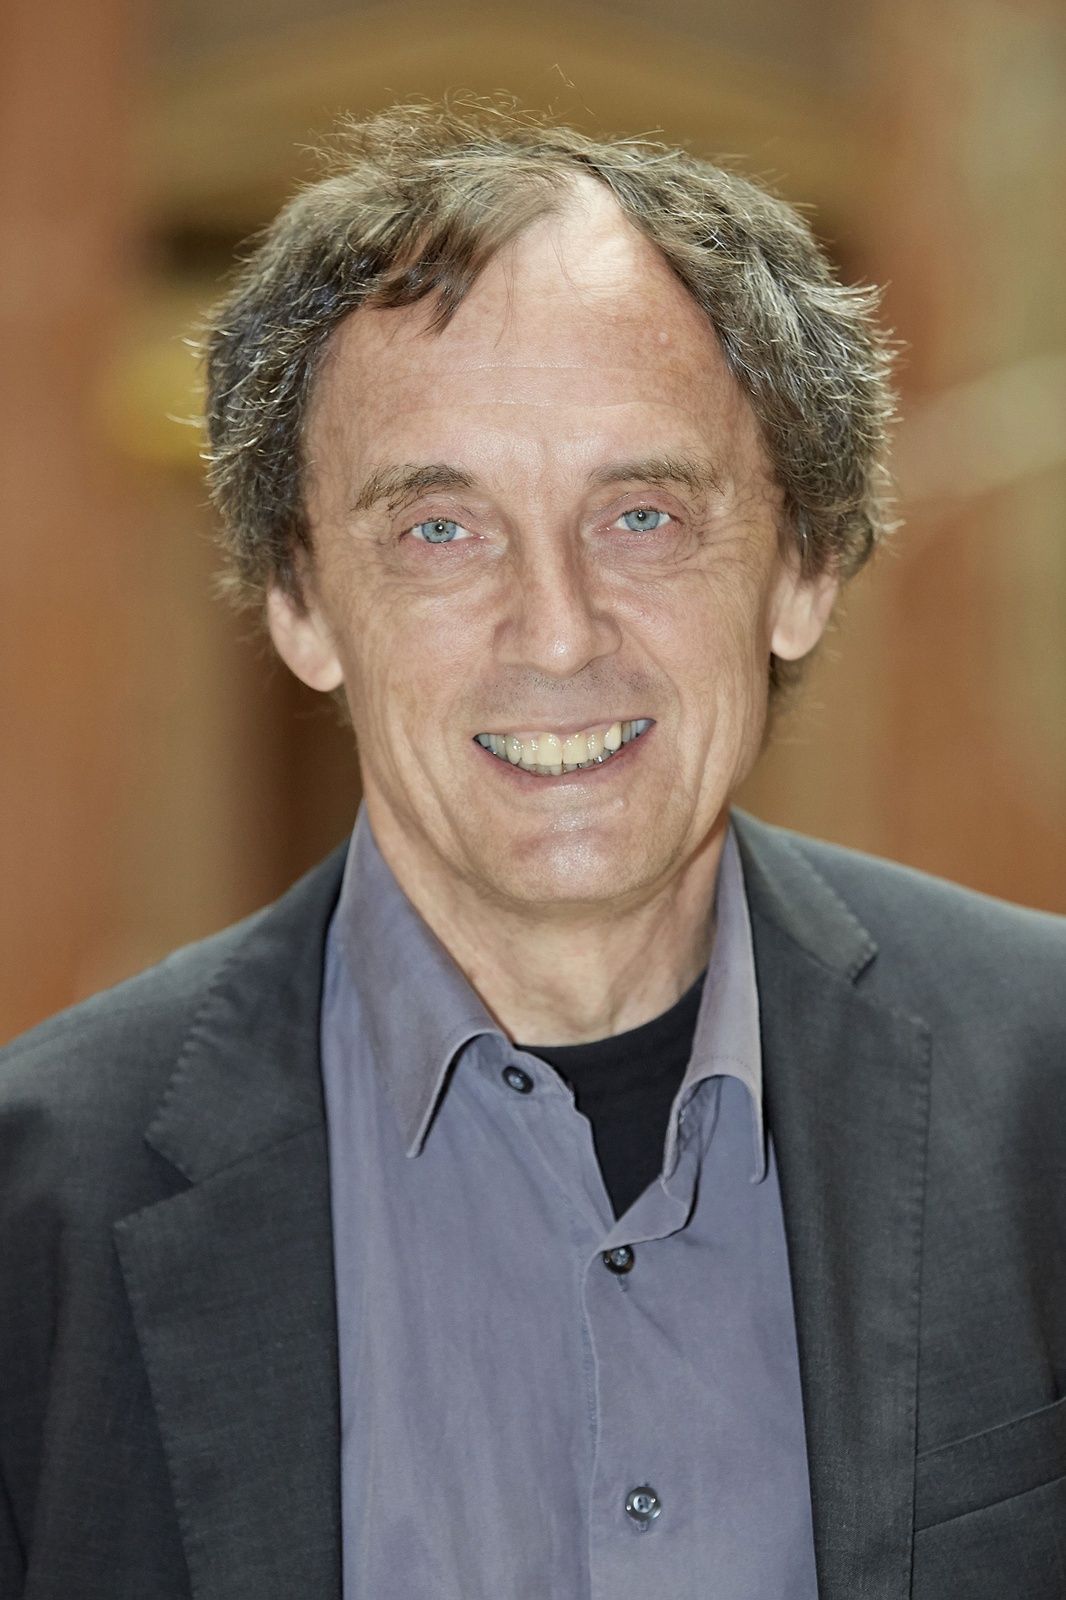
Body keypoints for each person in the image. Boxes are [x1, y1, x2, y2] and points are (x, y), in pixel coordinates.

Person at [1, 102, 1063, 1600]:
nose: (557, 634)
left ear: (803, 566)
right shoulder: (36, 1205)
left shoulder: (1047, 1090)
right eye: (440, 530)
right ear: (300, 604)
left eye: (642, 515)